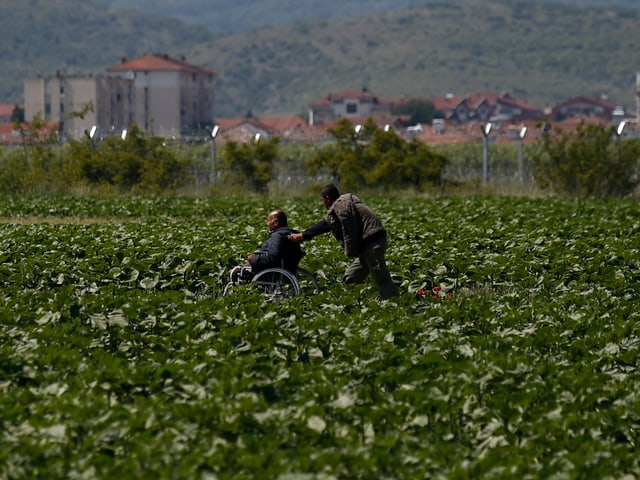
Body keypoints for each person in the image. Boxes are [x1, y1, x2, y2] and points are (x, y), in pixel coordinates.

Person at [289, 184, 399, 299]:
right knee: (350, 278)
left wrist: (350, 249)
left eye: (322, 200)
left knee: (381, 278)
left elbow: (344, 227)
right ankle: (350, 305)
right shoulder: (343, 205)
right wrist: (304, 235)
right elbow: (325, 224)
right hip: (366, 246)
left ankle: (394, 304)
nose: (323, 204)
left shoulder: (342, 205)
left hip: (372, 242)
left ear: (327, 198)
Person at [229, 210, 305, 285]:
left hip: (273, 275)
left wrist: (252, 258)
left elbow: (272, 257)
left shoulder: (278, 236)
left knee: (237, 272)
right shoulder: (292, 235)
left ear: (275, 222)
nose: (267, 224)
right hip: (288, 271)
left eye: (268, 221)